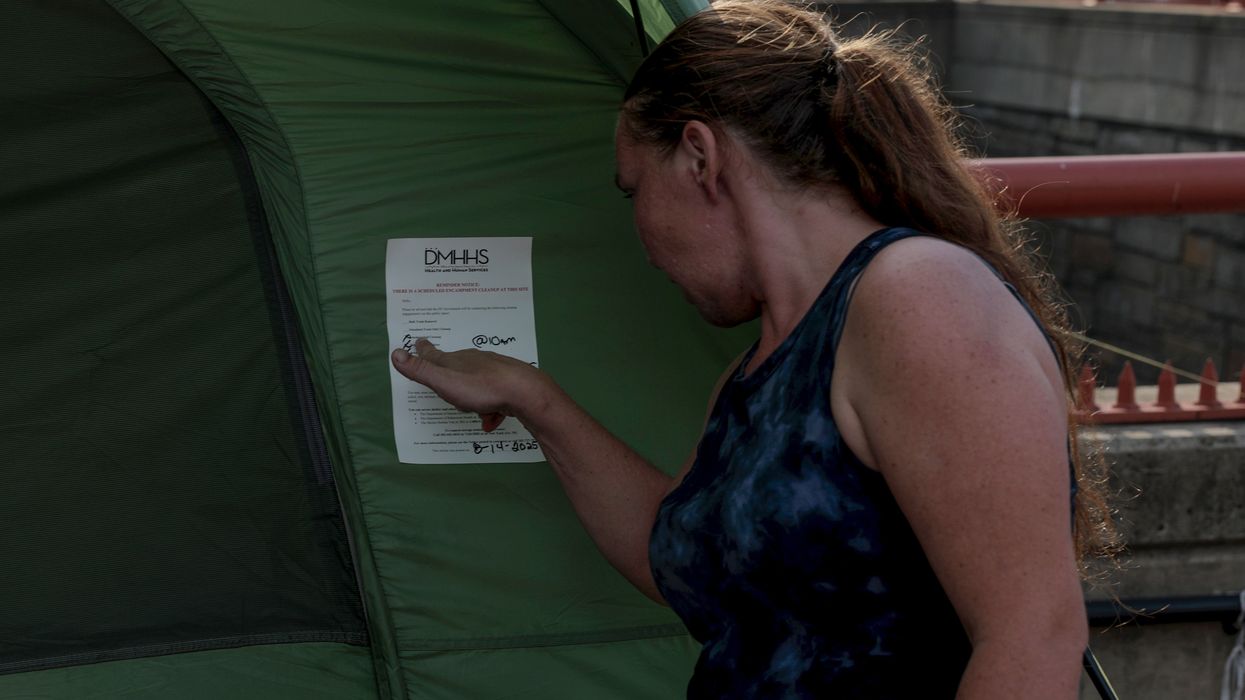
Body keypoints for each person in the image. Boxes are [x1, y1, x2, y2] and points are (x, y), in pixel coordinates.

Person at [391, 1, 1114, 696]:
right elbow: (688, 563)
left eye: (632, 191)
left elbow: (1032, 636)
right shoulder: (761, 369)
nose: (640, 240)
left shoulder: (917, 295)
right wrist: (532, 398)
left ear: (700, 158)